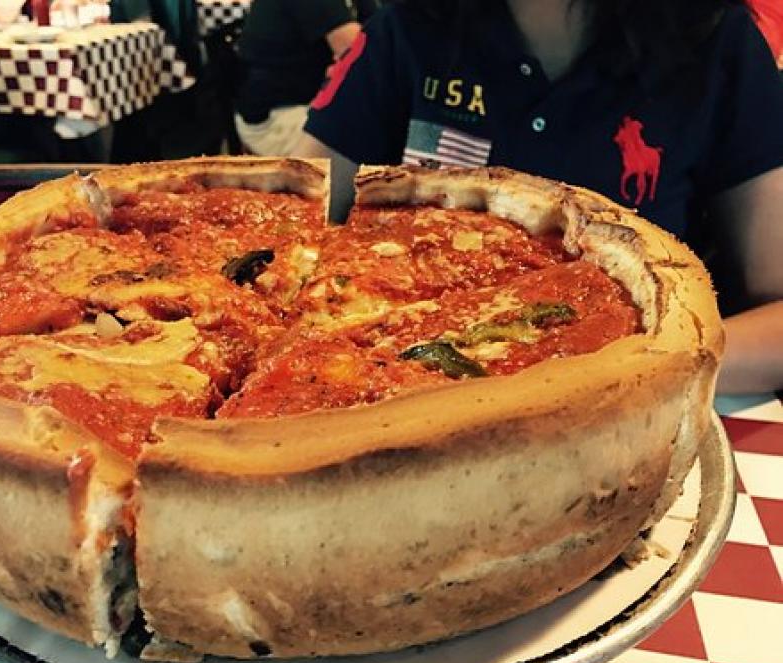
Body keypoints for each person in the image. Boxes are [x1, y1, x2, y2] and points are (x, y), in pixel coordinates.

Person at [295, 0, 783, 395]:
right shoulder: (404, 29)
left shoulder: (718, 39)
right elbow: (284, 231)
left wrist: (634, 372)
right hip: (381, 388)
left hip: (640, 419)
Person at [234, 0, 380, 156]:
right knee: (383, 138)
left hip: (314, 103)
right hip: (278, 119)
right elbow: (362, 53)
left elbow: (378, 34)